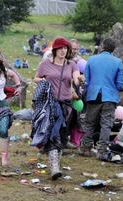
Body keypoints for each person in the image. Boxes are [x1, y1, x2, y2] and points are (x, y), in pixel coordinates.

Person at [33, 37, 81, 179]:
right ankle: (54, 167)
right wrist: (42, 81)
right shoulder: (45, 64)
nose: (63, 51)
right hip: (49, 103)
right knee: (54, 129)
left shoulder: (72, 64)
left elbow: (76, 78)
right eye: (60, 49)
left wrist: (80, 80)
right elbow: (36, 78)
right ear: (54, 50)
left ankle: (55, 163)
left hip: (66, 103)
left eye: (65, 49)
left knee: (60, 133)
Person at [80, 38, 123, 159]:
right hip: (109, 97)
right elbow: (120, 85)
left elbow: (86, 81)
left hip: (93, 95)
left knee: (89, 123)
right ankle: (102, 151)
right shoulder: (118, 62)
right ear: (113, 49)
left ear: (102, 46)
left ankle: (86, 149)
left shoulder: (92, 59)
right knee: (106, 125)